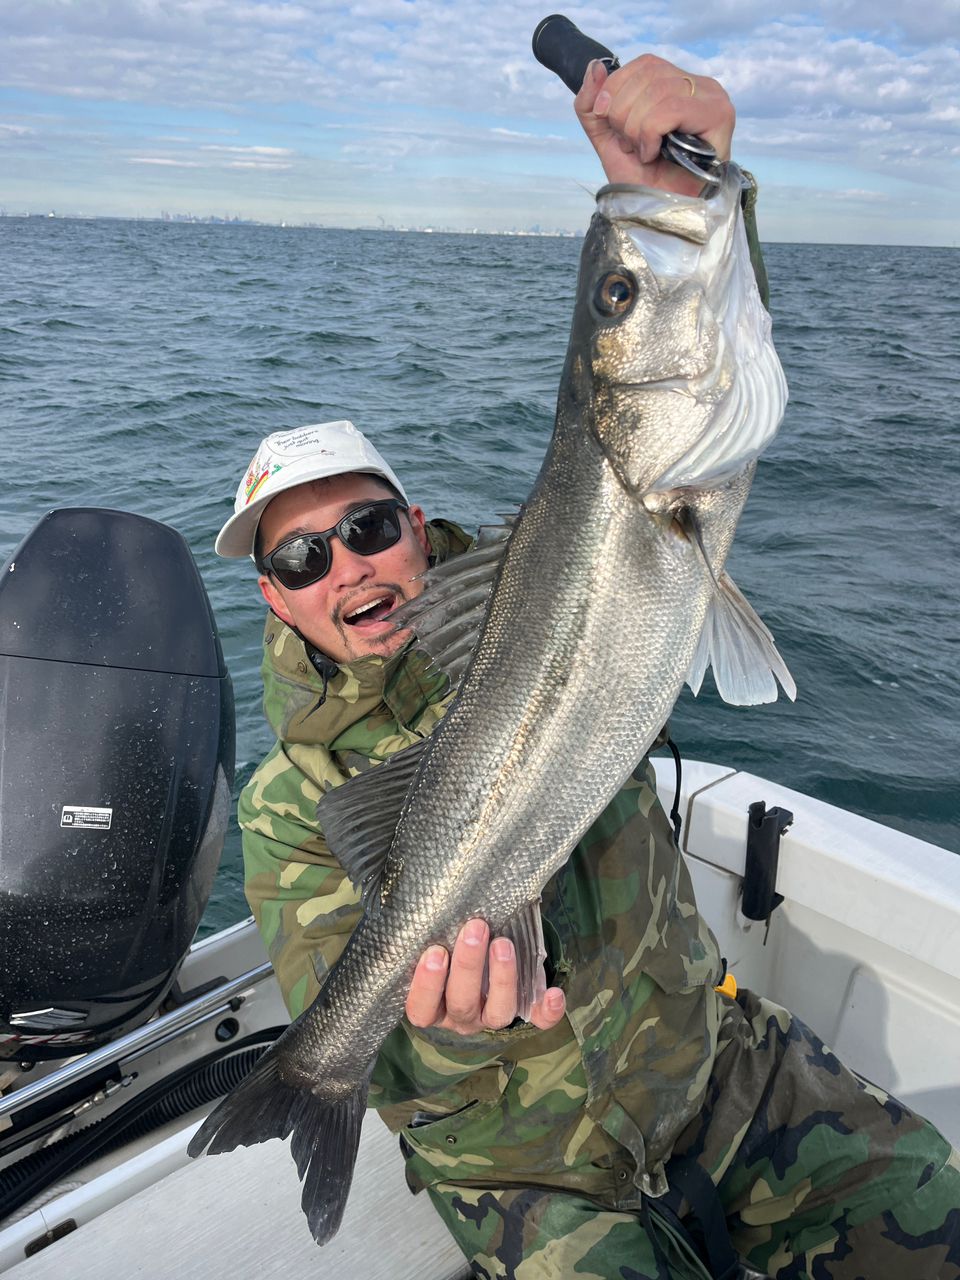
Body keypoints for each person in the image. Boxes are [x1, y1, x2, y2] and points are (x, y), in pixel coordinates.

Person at [215, 56, 960, 1280]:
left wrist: (704, 190)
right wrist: (447, 1031)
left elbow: (708, 353)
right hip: (531, 1169)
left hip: (721, 1068)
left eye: (367, 525)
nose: (346, 566)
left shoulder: (562, 550)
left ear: (414, 522)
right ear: (273, 597)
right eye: (301, 554)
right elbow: (406, 1069)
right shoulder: (289, 808)